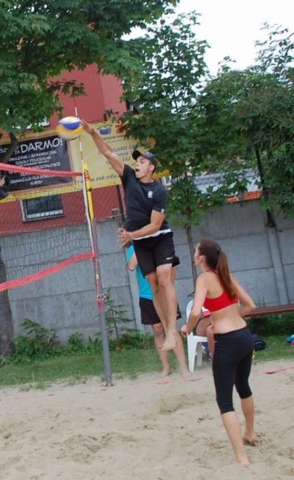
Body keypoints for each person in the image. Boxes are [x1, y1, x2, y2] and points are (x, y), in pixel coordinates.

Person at [82, 120, 179, 351]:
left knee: (165, 278)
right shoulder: (128, 177)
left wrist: (131, 235)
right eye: (137, 160)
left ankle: (173, 330)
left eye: (142, 161)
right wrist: (93, 133)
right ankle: (166, 328)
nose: (137, 163)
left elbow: (155, 226)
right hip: (140, 240)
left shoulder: (159, 191)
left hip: (159, 237)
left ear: (151, 168)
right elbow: (107, 152)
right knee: (153, 284)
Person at [180, 238, 257, 465]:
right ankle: (250, 432)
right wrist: (228, 317)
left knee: (224, 400)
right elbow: (250, 305)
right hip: (245, 336)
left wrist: (188, 327)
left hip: (227, 342)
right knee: (243, 387)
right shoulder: (226, 274)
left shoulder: (204, 278)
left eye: (195, 251)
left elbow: (195, 311)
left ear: (201, 258)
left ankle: (241, 457)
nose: (194, 254)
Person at [127, 245, 190, 378]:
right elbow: (131, 266)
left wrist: (167, 289)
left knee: (171, 328)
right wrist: (141, 245)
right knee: (157, 329)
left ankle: (183, 368)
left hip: (165, 295)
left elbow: (173, 268)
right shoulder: (134, 248)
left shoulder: (160, 244)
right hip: (147, 295)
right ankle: (166, 367)